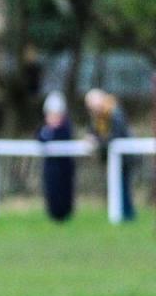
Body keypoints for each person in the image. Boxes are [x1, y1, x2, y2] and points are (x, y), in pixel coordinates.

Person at [85, 88, 135, 221]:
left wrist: (98, 142)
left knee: (123, 187)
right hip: (112, 157)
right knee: (118, 187)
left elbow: (116, 136)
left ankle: (127, 216)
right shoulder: (99, 116)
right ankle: (124, 215)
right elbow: (94, 130)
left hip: (124, 157)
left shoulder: (114, 112)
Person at [37, 91, 75, 222]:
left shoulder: (65, 128)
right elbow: (40, 139)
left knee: (63, 191)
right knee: (51, 191)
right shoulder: (45, 129)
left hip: (63, 167)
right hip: (51, 167)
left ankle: (64, 215)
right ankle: (53, 214)